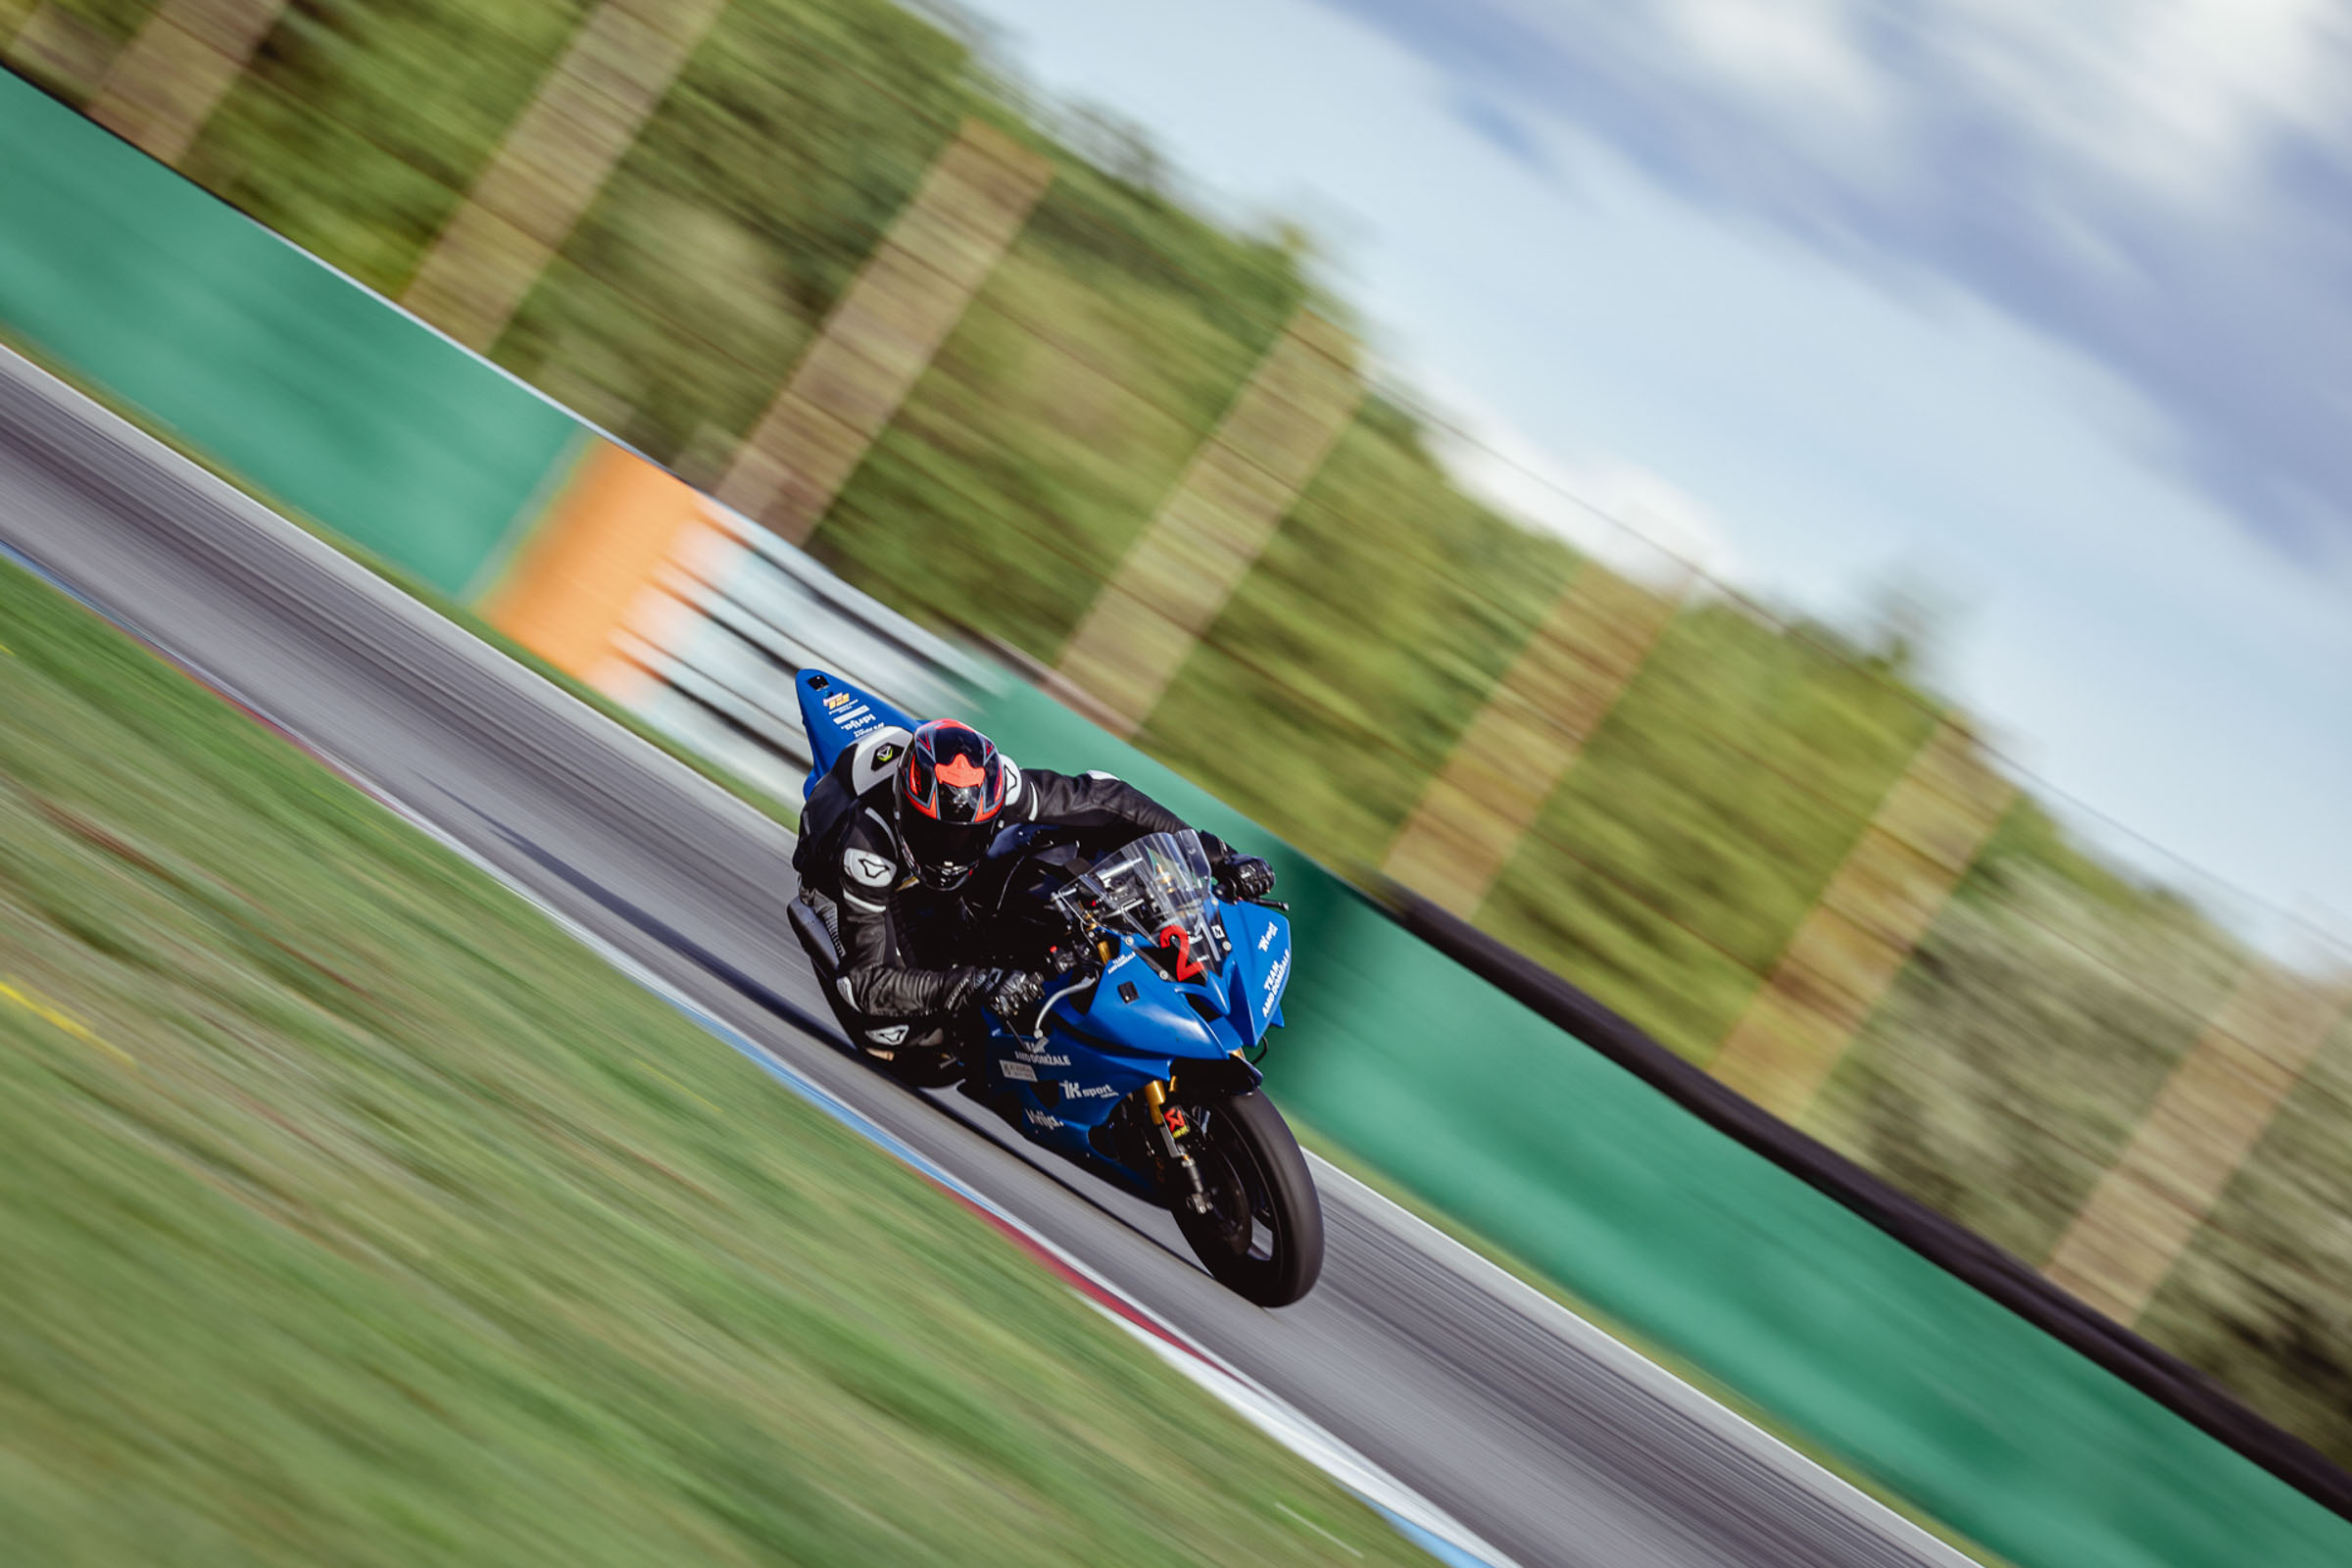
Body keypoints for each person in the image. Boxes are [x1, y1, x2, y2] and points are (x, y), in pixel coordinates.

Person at [792, 716, 1275, 1056]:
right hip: (836, 867)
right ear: (906, 810)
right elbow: (867, 983)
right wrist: (975, 984)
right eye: (938, 834)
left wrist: (1217, 855)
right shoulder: (865, 849)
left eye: (966, 835)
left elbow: (1106, 798)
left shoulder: (1000, 786)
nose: (952, 848)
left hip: (931, 789)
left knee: (1059, 843)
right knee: (898, 1033)